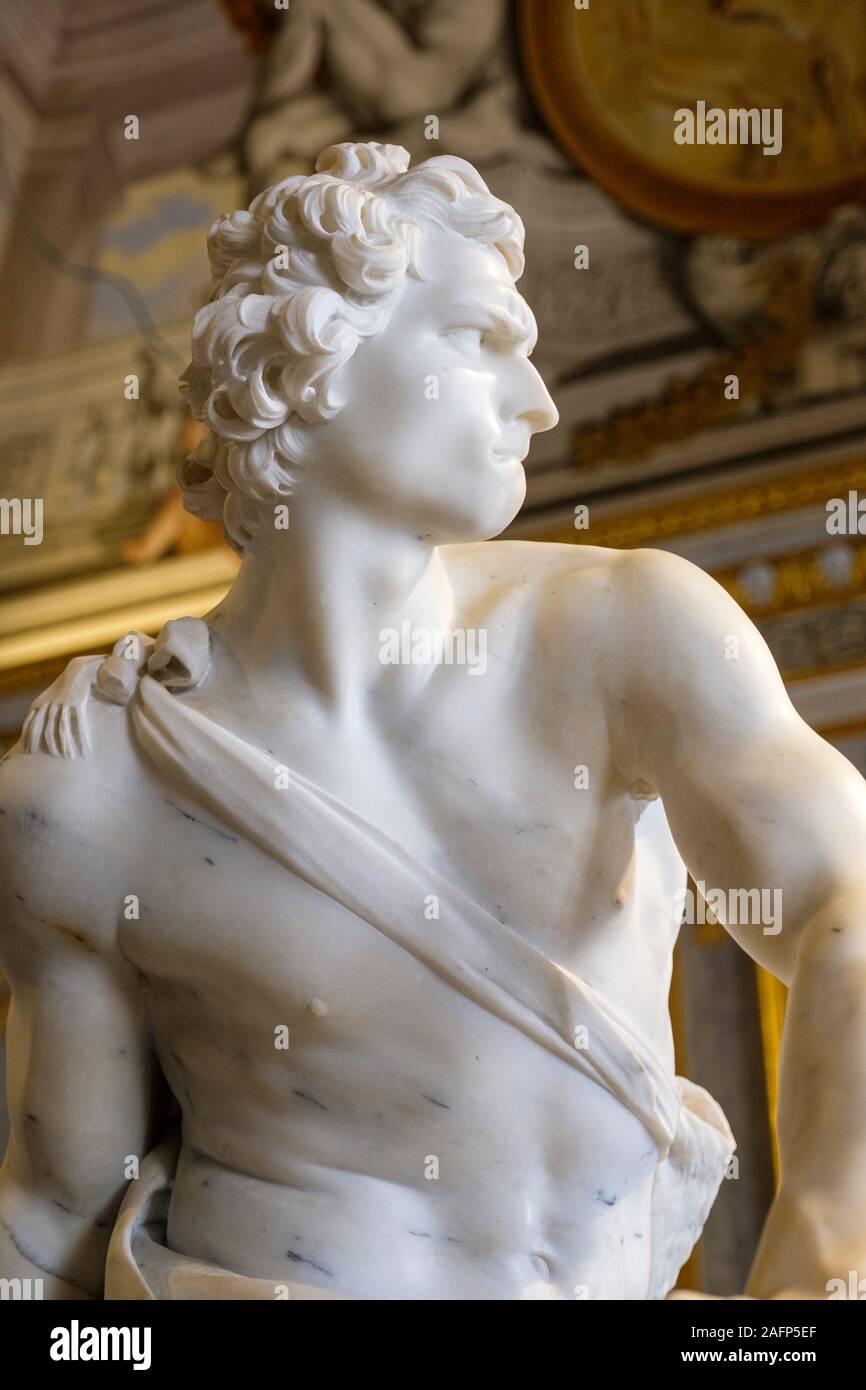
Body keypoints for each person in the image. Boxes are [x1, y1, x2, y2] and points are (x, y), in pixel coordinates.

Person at [0, 142, 864, 1301]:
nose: (538, 398)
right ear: (311, 356)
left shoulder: (626, 633)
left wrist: (811, 1267)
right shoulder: (95, 788)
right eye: (479, 339)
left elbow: (841, 905)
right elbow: (54, 1212)